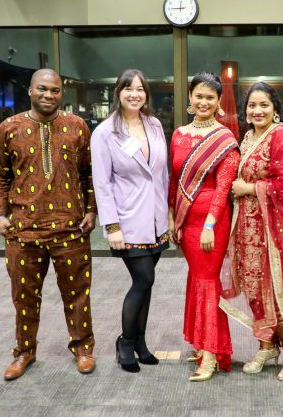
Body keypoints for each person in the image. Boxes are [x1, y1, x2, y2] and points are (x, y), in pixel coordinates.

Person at [0, 69, 97, 380]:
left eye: (55, 90)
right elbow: (0, 177)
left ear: (61, 93)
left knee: (78, 292)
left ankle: (83, 347)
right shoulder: (8, 128)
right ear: (30, 91)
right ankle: (25, 351)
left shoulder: (77, 127)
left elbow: (88, 175)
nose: (48, 95)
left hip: (71, 228)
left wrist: (91, 211)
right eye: (42, 89)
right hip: (22, 229)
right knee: (24, 295)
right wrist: (0, 214)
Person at [220, 82, 283, 381]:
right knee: (255, 288)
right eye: (252, 105)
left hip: (274, 231)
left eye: (264, 104)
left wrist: (249, 188)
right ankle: (267, 345)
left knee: (279, 291)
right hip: (248, 228)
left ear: (275, 108)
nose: (258, 110)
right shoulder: (249, 136)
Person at [91, 69, 169, 373]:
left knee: (146, 284)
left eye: (140, 89)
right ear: (118, 93)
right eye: (128, 89)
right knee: (143, 279)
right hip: (127, 222)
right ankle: (124, 342)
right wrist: (111, 226)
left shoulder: (155, 124)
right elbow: (102, 182)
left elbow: (161, 174)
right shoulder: (105, 133)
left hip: (156, 219)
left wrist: (169, 214)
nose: (134, 94)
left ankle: (140, 342)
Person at [168, 72, 239, 381]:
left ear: (218, 102)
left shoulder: (225, 138)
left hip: (212, 221)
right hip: (185, 219)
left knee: (208, 281)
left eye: (210, 97)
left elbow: (224, 188)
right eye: (199, 95)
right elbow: (173, 182)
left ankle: (210, 354)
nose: (204, 101)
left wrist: (210, 223)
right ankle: (202, 343)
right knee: (197, 279)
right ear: (190, 99)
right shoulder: (179, 134)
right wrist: (173, 217)